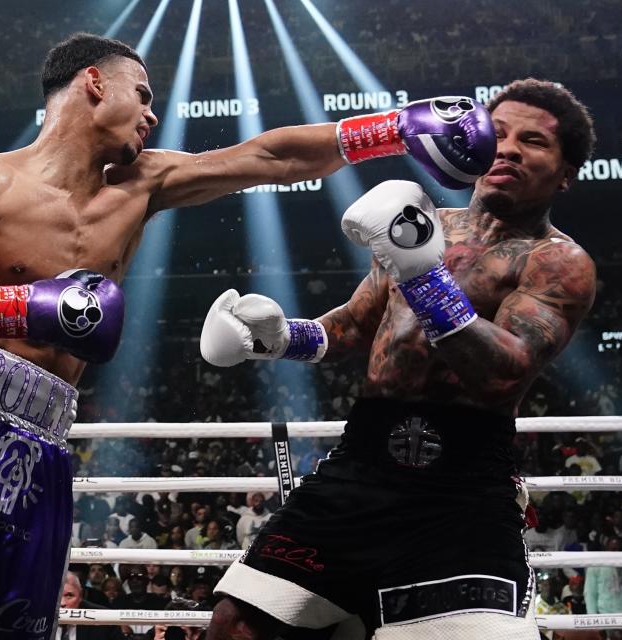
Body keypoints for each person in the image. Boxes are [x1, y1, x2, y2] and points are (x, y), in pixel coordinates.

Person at [0, 30, 493, 640]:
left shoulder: (143, 184)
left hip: (42, 439)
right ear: (94, 83)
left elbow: (268, 156)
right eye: (143, 96)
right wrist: (32, 307)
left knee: (8, 627)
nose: (152, 115)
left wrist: (392, 129)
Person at [200, 78, 597, 639]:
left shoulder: (558, 262)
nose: (507, 148)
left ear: (565, 171)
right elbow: (356, 327)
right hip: (360, 465)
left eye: (533, 141)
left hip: (459, 487)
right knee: (236, 624)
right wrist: (274, 337)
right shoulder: (423, 223)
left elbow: (505, 367)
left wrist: (421, 273)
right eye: (499, 132)